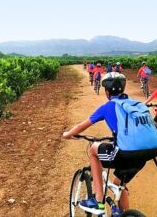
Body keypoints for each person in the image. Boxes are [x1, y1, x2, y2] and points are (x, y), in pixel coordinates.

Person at [62, 72, 148, 214]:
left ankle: (98, 200)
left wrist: (67, 134)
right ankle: (125, 214)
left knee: (93, 150)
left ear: (107, 91)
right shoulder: (134, 105)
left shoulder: (108, 107)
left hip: (123, 154)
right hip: (142, 156)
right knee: (119, 184)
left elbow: (82, 125)